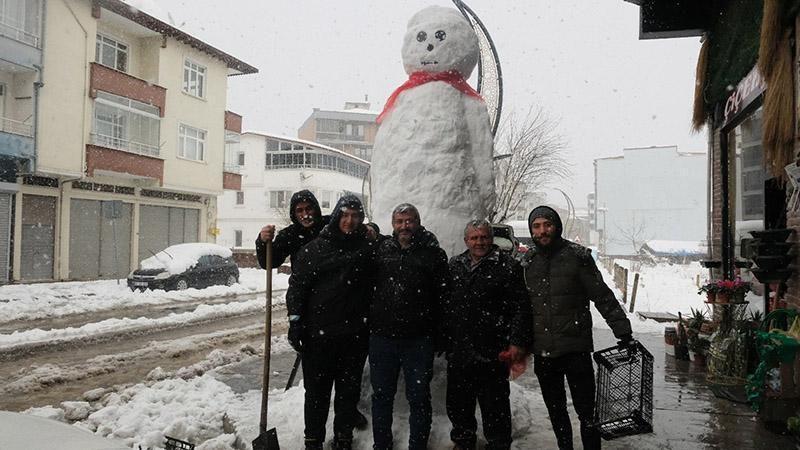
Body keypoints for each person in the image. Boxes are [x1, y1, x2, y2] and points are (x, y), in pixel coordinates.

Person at [255, 189, 371, 431]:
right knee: (318, 382)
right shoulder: (291, 235)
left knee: (346, 380)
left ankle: (347, 414)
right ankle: (317, 430)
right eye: (299, 211)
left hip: (343, 309)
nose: (305, 214)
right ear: (293, 214)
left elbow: (354, 225)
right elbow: (270, 261)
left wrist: (372, 228)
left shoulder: (330, 223)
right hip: (310, 307)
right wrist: (262, 241)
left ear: (317, 209)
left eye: (309, 209)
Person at [523, 205, 633, 450]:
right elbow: (520, 307)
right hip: (544, 351)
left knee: (587, 412)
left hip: (575, 348)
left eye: (547, 224)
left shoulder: (577, 257)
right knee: (556, 410)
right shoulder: (528, 262)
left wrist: (622, 330)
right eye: (536, 226)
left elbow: (602, 296)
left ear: (557, 226)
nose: (542, 231)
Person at [285, 195, 377, 450]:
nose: (350, 221)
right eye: (345, 215)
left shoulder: (367, 249)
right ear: (336, 216)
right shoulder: (314, 250)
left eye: (355, 216)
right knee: (317, 394)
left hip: (354, 337)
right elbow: (297, 290)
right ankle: (313, 440)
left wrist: (374, 231)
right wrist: (295, 322)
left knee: (348, 393)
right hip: (319, 338)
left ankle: (343, 438)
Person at [444, 220, 532, 450]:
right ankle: (463, 442)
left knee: (495, 406)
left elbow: (521, 308)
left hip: (493, 350)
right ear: (466, 241)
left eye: (483, 237)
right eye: (474, 238)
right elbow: (445, 304)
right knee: (459, 404)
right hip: (460, 350)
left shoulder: (508, 266)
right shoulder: (455, 265)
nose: (479, 242)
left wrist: (516, 341)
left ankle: (498, 444)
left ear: (491, 239)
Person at [369, 203, 450, 450]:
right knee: (381, 396)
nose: (405, 226)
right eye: (399, 221)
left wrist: (441, 332)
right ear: (393, 224)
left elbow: (444, 296)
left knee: (419, 397)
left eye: (409, 221)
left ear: (418, 222)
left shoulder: (433, 253)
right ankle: (381, 444)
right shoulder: (382, 250)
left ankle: (418, 445)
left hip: (419, 339)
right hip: (383, 338)